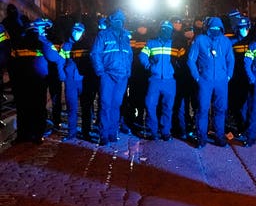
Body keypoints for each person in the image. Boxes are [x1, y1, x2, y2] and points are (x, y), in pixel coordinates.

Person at [11, 18, 65, 144]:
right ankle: (37, 135)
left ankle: (23, 135)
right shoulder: (43, 42)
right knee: (38, 108)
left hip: (22, 81)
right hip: (38, 80)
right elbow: (54, 57)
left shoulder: (18, 41)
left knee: (23, 108)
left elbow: (12, 62)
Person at [186, 16, 234, 149]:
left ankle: (219, 137)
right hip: (205, 81)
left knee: (220, 109)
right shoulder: (200, 40)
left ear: (221, 29)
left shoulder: (225, 41)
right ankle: (202, 138)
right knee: (202, 109)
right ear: (208, 28)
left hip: (221, 81)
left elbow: (230, 60)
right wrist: (197, 77)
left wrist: (228, 76)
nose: (215, 30)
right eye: (212, 28)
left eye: (218, 28)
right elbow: (191, 60)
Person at [90, 9, 133, 146]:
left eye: (121, 20)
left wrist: (128, 71)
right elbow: (95, 53)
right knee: (105, 104)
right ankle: (104, 135)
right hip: (108, 75)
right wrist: (100, 72)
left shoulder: (125, 37)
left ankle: (112, 133)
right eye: (116, 20)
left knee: (116, 105)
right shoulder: (103, 35)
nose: (119, 23)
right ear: (111, 21)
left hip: (122, 76)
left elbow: (129, 55)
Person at [139, 20, 178, 141]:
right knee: (150, 105)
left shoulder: (174, 44)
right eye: (163, 28)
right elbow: (142, 56)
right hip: (155, 80)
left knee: (168, 107)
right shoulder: (151, 43)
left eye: (168, 29)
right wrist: (149, 66)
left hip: (169, 80)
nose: (165, 31)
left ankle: (166, 131)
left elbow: (180, 59)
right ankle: (153, 131)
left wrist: (175, 69)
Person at [59, 22, 87, 141]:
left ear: (83, 32)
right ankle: (72, 132)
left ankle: (86, 131)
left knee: (87, 107)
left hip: (83, 79)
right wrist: (62, 76)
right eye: (75, 30)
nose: (76, 33)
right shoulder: (65, 46)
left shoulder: (86, 45)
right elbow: (60, 62)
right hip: (70, 80)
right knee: (72, 107)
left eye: (79, 31)